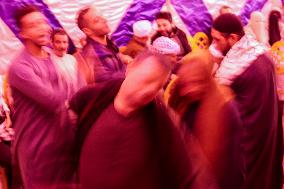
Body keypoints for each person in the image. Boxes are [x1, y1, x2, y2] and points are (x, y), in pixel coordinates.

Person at [69, 51, 217, 189]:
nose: (149, 90)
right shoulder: (92, 99)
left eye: (157, 86)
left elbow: (190, 170)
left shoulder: (161, 123)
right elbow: (66, 136)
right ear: (130, 68)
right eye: (147, 80)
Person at [212, 13, 283, 189]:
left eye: (217, 40)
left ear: (233, 38)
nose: (214, 45)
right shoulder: (260, 54)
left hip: (250, 142)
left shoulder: (240, 69)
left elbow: (236, 113)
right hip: (269, 133)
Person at [8, 5, 76, 188]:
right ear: (23, 34)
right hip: (37, 146)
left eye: (43, 22)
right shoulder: (20, 67)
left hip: (62, 140)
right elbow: (53, 100)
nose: (43, 28)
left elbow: (69, 94)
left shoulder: (50, 56)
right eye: (33, 25)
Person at [168, 53, 244, 189]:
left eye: (196, 83)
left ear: (206, 80)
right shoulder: (183, 101)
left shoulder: (224, 107)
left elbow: (231, 164)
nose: (187, 90)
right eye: (185, 84)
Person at [76, 6, 127, 83]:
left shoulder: (109, 43)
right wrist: (132, 68)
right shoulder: (93, 56)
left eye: (102, 16)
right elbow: (112, 85)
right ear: (87, 31)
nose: (104, 20)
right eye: (97, 20)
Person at [50, 28, 83, 98]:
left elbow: (80, 82)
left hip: (76, 100)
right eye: (58, 42)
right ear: (51, 43)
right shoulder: (48, 61)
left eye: (65, 42)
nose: (62, 46)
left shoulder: (72, 59)